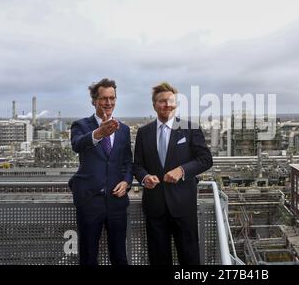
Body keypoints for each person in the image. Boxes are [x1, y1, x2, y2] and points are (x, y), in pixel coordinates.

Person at [133, 82, 213, 265]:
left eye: (171, 101)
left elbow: (206, 159)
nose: (167, 105)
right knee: (158, 259)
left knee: (190, 258)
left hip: (184, 207)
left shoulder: (189, 128)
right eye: (162, 101)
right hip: (155, 208)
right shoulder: (143, 133)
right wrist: (145, 177)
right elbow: (137, 165)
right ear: (154, 105)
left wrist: (182, 170)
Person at [69, 78, 133, 265]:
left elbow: (128, 162)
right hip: (90, 201)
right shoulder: (81, 125)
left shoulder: (124, 130)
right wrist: (99, 133)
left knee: (119, 256)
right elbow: (77, 145)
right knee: (88, 256)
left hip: (116, 201)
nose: (108, 102)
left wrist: (126, 181)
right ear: (94, 100)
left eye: (112, 98)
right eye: (104, 98)